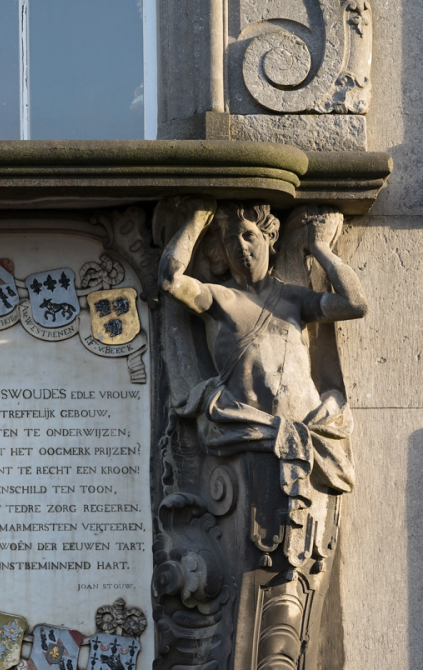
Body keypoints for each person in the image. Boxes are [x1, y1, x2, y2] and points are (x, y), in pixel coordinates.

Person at [158, 198, 368, 530]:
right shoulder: (218, 298)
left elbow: (355, 304)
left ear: (269, 238)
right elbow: (170, 281)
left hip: (306, 434)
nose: (240, 247)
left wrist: (320, 247)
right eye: (230, 240)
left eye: (248, 236)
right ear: (221, 252)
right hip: (247, 433)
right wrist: (198, 218)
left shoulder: (294, 299)